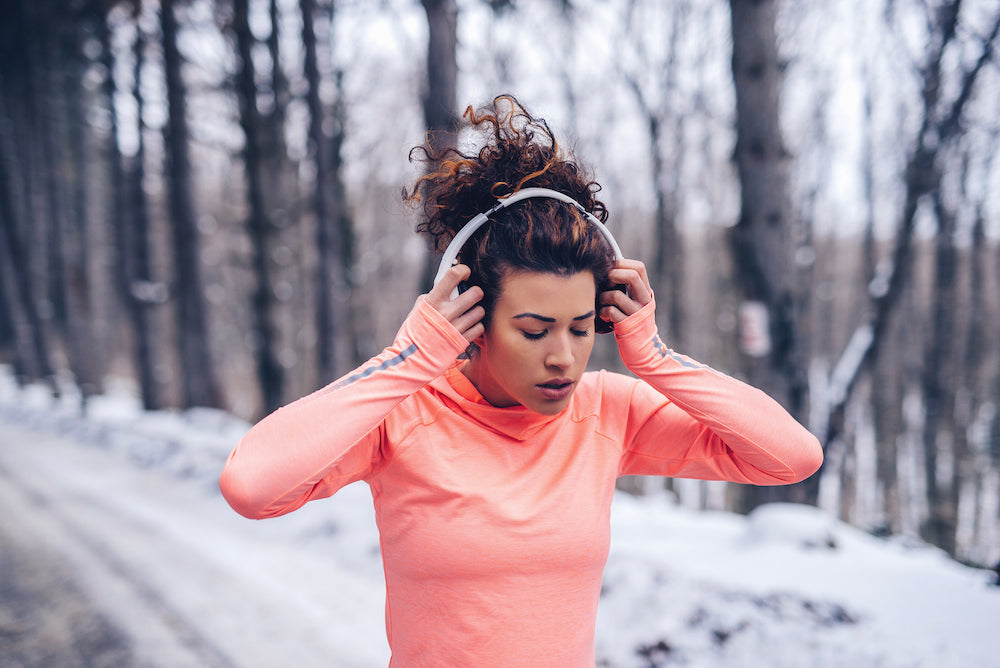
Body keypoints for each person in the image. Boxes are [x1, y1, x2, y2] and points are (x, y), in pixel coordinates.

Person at [219, 95, 823, 667]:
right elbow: (251, 486)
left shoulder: (608, 412)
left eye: (582, 329)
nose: (564, 357)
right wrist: (407, 359)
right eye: (534, 331)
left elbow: (790, 458)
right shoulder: (405, 414)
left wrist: (656, 357)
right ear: (475, 318)